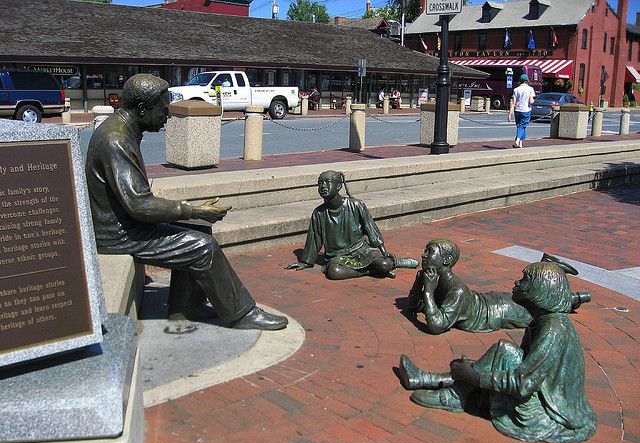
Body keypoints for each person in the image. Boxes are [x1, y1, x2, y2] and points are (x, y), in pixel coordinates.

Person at [86, 73, 287, 331]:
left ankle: (185, 306)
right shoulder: (116, 140)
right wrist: (192, 209)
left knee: (197, 228)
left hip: (124, 224)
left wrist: (193, 214)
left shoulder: (122, 129)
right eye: (162, 110)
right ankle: (242, 313)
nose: (167, 115)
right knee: (204, 246)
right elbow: (139, 205)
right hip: (119, 235)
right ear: (143, 109)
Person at [398, 261, 597, 443]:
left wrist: (475, 377)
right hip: (545, 395)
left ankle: (455, 395)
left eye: (525, 279)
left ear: (540, 289)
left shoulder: (553, 329)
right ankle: (432, 381)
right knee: (504, 353)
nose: (517, 282)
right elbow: (525, 366)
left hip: (549, 413)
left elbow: (524, 384)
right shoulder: (545, 321)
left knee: (504, 352)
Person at [286, 170, 418, 280]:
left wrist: (383, 251)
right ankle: (370, 271)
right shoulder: (319, 213)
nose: (323, 186)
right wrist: (306, 262)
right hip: (339, 257)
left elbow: (370, 228)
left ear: (338, 186)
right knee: (334, 272)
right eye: (320, 183)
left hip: (361, 250)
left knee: (384, 264)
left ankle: (394, 263)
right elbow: (314, 240)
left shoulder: (355, 205)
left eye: (327, 182)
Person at [406, 239, 534, 334]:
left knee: (533, 311)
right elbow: (414, 305)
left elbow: (436, 326)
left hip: (494, 311)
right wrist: (418, 283)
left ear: (446, 260)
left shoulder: (457, 290)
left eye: (430, 252)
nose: (424, 255)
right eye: (425, 251)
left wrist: (428, 291)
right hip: (485, 299)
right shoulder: (434, 280)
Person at [508, 73, 536, 148]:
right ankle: (517, 141)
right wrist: (534, 100)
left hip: (517, 110)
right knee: (522, 126)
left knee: (519, 126)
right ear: (527, 81)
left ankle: (520, 144)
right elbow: (531, 101)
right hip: (526, 110)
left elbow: (513, 102)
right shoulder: (530, 89)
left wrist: (510, 114)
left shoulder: (516, 89)